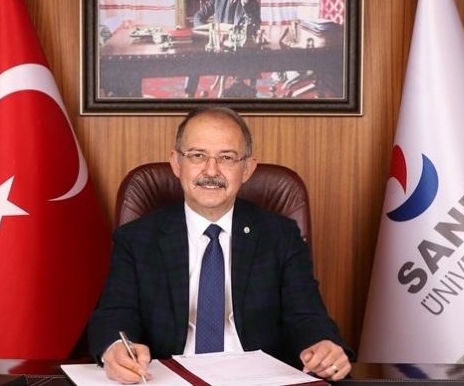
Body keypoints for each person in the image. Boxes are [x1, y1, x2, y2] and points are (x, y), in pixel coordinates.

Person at [88, 106, 354, 384]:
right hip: (168, 378)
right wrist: (115, 348)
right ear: (176, 163)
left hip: (258, 380)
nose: (211, 170)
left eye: (226, 157)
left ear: (247, 168)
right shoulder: (136, 238)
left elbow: (306, 315)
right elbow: (114, 313)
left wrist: (323, 345)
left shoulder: (280, 235)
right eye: (197, 155)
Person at [184, 0, 262, 97]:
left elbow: (255, 23)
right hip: (218, 47)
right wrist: (208, 30)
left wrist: (245, 1)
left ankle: (238, 91)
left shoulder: (250, 3)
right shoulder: (218, 0)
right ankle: (189, 93)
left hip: (239, 49)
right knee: (194, 60)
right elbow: (198, 16)